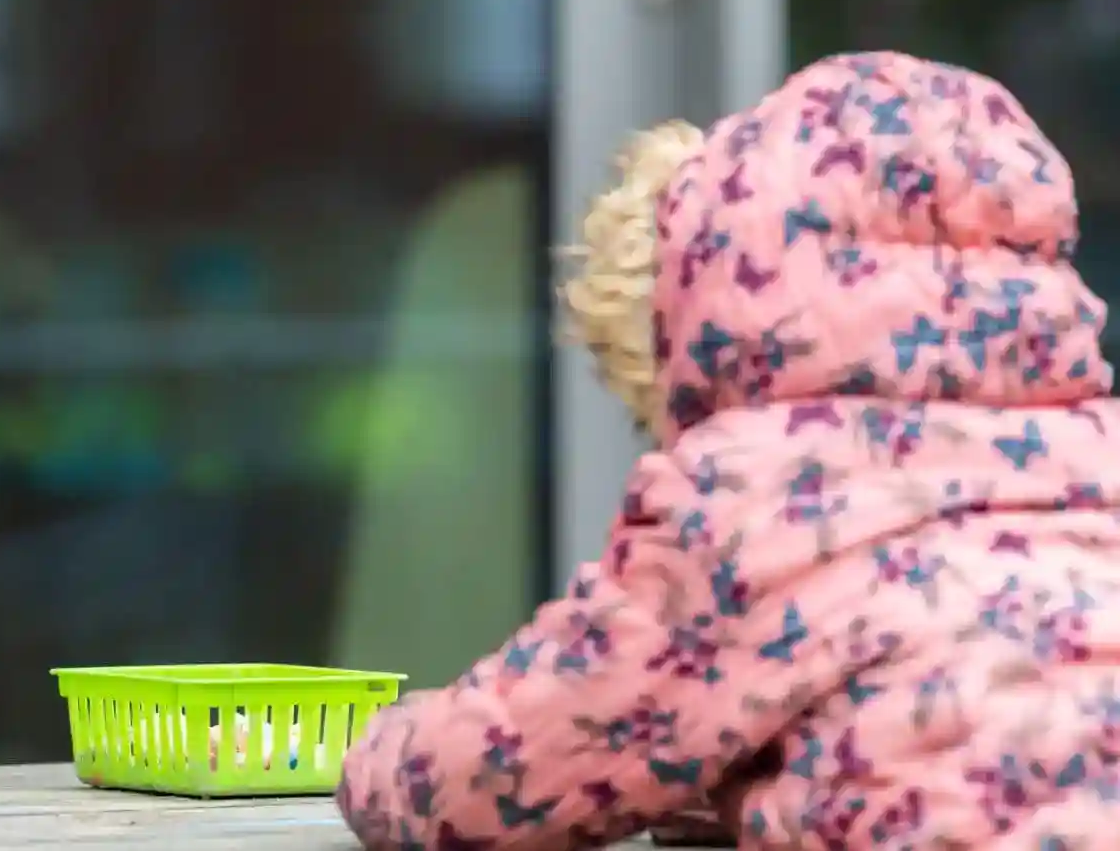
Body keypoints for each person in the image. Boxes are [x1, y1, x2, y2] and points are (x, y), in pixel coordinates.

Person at [336, 50, 1120, 850]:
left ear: (731, 300)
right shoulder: (1098, 455)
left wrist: (377, 754)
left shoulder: (764, 507)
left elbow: (486, 781)